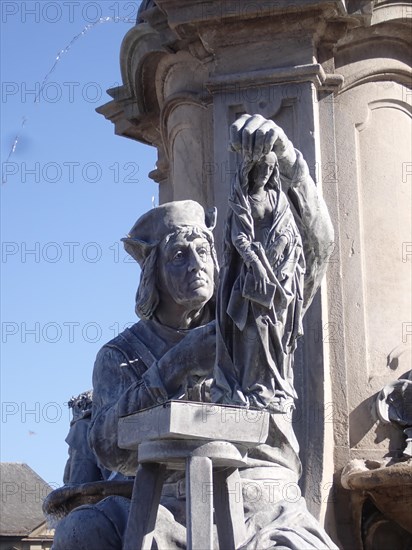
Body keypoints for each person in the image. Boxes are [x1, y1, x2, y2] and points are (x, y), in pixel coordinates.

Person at [52, 115, 337, 549]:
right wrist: (177, 364)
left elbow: (319, 247)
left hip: (259, 499)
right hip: (161, 502)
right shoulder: (121, 355)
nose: (197, 264)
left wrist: (287, 158)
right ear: (153, 274)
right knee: (81, 531)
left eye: (203, 249)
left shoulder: (252, 319)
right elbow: (108, 447)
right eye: (179, 255)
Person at [212, 149, 306, 410]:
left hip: (280, 272)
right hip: (251, 273)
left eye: (270, 168)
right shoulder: (241, 201)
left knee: (277, 328)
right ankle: (253, 388)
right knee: (252, 329)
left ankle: (275, 387)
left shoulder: (278, 197)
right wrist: (255, 263)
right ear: (250, 169)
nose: (265, 173)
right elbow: (238, 237)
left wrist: (279, 248)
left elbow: (290, 232)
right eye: (261, 167)